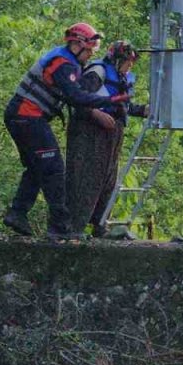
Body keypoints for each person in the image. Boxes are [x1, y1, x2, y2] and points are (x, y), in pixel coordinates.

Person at [3, 23, 130, 241]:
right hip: (27, 116)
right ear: (77, 44)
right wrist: (108, 100)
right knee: (54, 169)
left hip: (22, 117)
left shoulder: (68, 61)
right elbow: (76, 97)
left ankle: (17, 214)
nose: (91, 54)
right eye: (89, 50)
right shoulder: (63, 64)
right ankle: (60, 227)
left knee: (36, 167)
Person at [66, 40, 149, 238]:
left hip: (111, 135)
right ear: (117, 59)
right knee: (86, 178)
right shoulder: (97, 72)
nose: (130, 65)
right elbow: (76, 99)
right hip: (90, 133)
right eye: (128, 61)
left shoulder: (121, 78)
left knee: (108, 180)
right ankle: (73, 228)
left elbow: (123, 107)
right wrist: (95, 114)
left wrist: (143, 110)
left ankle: (100, 225)